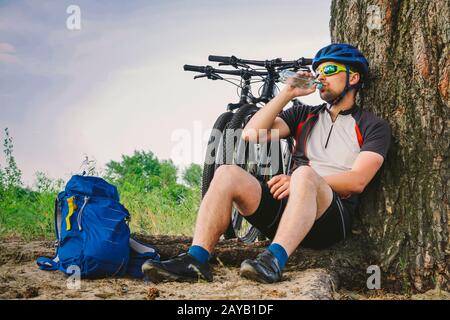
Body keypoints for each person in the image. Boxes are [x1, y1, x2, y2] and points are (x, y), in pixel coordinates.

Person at [142, 43, 391, 284]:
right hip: (288, 210)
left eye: (329, 70)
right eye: (318, 72)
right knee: (227, 173)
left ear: (354, 78)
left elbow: (358, 181)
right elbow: (252, 134)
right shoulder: (303, 115)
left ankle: (273, 261)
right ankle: (194, 261)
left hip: (331, 219)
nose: (321, 77)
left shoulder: (372, 126)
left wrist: (297, 181)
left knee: (304, 173)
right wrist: (287, 94)